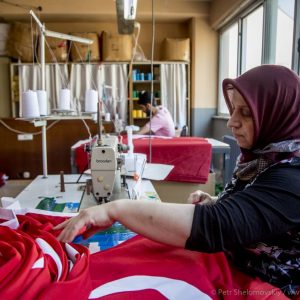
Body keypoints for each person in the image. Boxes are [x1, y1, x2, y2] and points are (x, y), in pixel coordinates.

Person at [55, 65, 300, 296]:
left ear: (277, 114)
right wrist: (216, 200)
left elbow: (218, 227)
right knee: (138, 259)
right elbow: (258, 210)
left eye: (245, 113)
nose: (231, 121)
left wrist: (115, 209)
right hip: (230, 263)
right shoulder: (262, 158)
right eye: (233, 109)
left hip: (260, 286)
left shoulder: (293, 175)